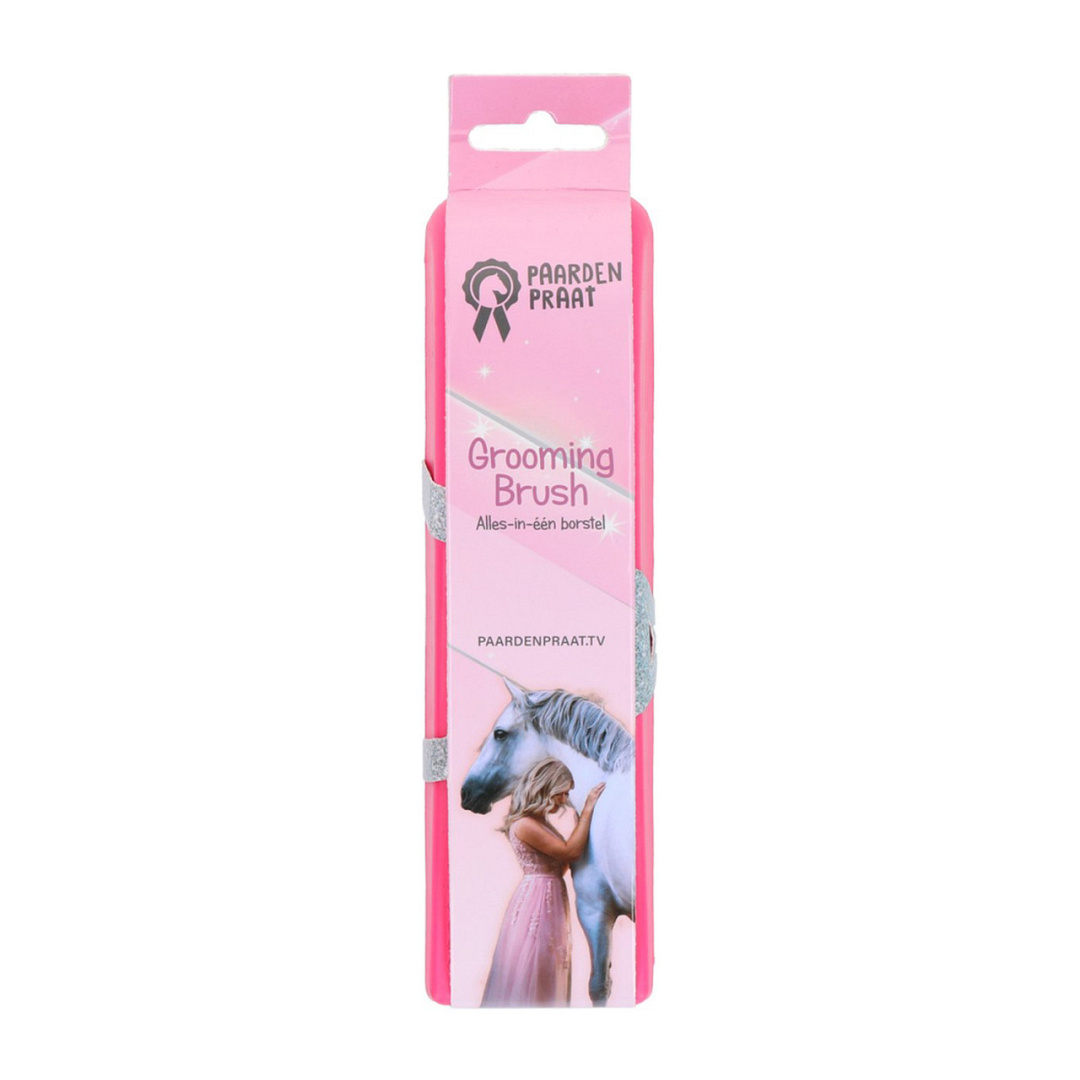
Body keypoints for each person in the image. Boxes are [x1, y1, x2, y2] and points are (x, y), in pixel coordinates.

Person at [481, 757, 605, 1007]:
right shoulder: (525, 825)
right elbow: (570, 852)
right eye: (563, 792)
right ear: (548, 788)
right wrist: (588, 811)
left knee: (548, 963)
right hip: (537, 900)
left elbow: (563, 862)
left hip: (549, 893)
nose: (564, 800)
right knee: (535, 961)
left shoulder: (540, 823)